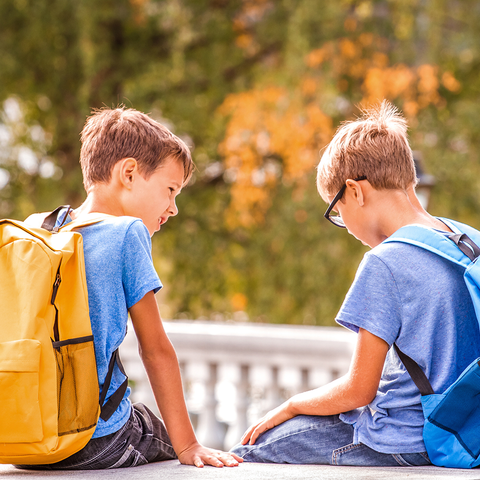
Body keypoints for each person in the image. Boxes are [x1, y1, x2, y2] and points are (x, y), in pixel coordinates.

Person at [230, 100, 480, 466]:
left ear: (355, 191)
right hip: (467, 430)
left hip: (404, 438)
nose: (344, 225)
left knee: (250, 452)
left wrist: (292, 404)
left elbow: (359, 390)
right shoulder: (469, 240)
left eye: (337, 211)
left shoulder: (385, 262)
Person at [24, 107, 242, 470]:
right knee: (153, 428)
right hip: (93, 441)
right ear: (128, 173)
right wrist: (188, 445)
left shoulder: (40, 228)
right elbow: (154, 349)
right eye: (170, 190)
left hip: (29, 437)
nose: (172, 209)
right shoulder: (126, 233)